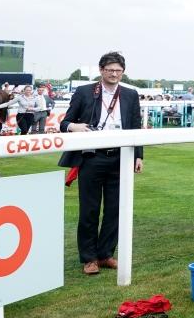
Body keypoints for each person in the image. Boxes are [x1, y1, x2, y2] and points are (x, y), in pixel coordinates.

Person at [58, 51, 143, 275]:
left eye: (118, 71)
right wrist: (74, 127)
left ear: (123, 72)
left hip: (121, 157)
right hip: (91, 157)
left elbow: (136, 126)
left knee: (115, 209)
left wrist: (138, 156)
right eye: (110, 70)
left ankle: (105, 254)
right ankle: (89, 258)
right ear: (101, 70)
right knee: (89, 210)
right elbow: (64, 123)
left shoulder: (131, 94)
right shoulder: (85, 92)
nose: (114, 74)